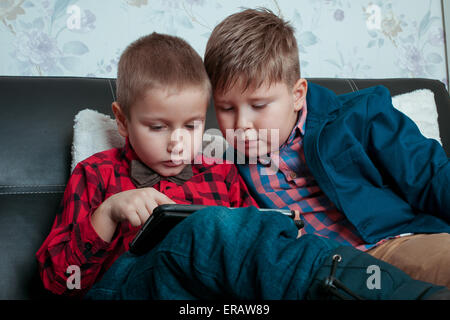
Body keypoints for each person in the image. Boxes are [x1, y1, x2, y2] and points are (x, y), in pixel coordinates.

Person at [203, 8, 450, 287]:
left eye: (258, 106)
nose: (242, 124)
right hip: (319, 274)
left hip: (393, 244)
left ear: (297, 95)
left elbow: (430, 175)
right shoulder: (221, 167)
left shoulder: (361, 115)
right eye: (225, 108)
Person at [36, 32, 257, 297]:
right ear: (122, 121)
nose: (177, 143)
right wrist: (107, 214)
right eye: (157, 127)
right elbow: (60, 283)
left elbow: (252, 254)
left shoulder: (223, 175)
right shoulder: (95, 174)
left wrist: (282, 232)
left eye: (191, 125)